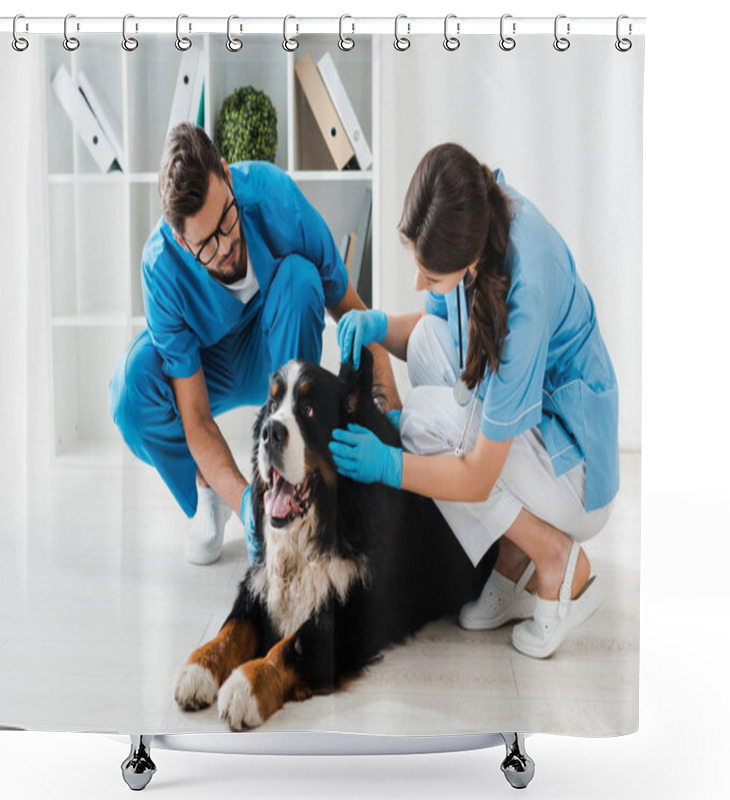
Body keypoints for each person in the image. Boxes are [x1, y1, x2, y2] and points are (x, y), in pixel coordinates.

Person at [329, 143, 619, 659]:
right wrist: (376, 323)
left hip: (576, 471)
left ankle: (555, 558)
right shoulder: (474, 217)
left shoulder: (525, 289)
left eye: (430, 276)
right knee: (421, 346)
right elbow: (436, 328)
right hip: (536, 434)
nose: (419, 283)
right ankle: (512, 553)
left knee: (422, 422)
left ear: (468, 263)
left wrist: (389, 465)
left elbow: (480, 475)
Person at [108, 123, 400, 566]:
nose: (225, 245)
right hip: (208, 371)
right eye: (206, 244)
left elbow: (356, 315)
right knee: (132, 387)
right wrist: (247, 501)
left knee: (302, 280)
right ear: (183, 246)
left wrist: (394, 429)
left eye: (227, 218)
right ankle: (213, 489)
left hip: (275, 350)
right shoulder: (161, 268)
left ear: (226, 174)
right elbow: (196, 417)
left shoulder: (273, 196)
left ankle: (290, 475)